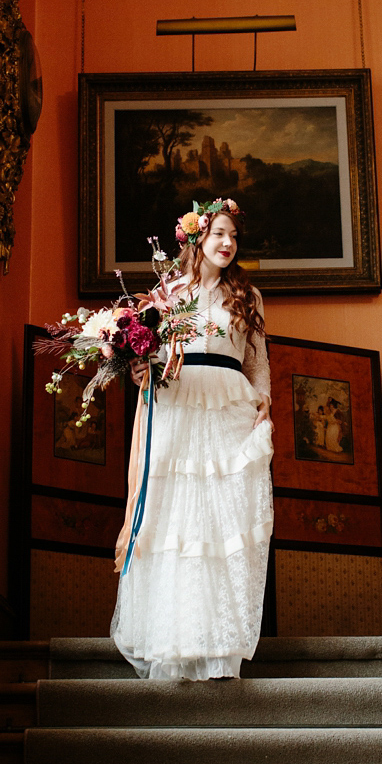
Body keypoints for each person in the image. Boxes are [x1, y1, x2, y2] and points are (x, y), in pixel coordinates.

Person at [111, 197, 274, 680]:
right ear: (196, 236)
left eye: (234, 236)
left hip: (228, 407)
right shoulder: (168, 292)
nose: (228, 243)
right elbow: (143, 353)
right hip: (176, 403)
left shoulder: (248, 295)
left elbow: (258, 361)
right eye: (219, 233)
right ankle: (172, 637)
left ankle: (220, 641)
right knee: (175, 517)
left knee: (223, 519)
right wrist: (138, 366)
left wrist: (263, 402)